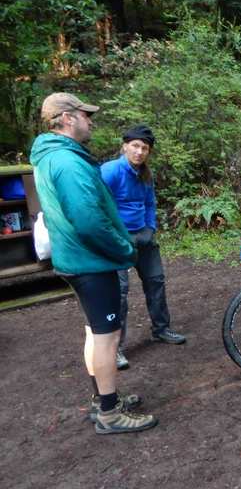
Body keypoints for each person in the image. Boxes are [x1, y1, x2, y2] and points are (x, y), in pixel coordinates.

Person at [30, 92, 157, 434]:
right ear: (67, 118)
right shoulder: (68, 163)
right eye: (85, 115)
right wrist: (123, 249)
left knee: (95, 332)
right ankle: (110, 413)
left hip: (78, 259)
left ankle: (103, 399)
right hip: (91, 261)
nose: (91, 120)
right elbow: (88, 221)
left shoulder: (52, 156)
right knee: (106, 336)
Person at [101, 125, 186, 370]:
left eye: (144, 148)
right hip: (118, 240)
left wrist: (150, 228)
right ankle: (115, 348)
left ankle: (161, 329)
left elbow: (149, 203)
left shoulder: (145, 174)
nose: (139, 152)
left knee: (156, 281)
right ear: (125, 145)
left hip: (144, 237)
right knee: (119, 293)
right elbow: (101, 208)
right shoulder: (110, 172)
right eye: (135, 146)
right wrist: (119, 237)